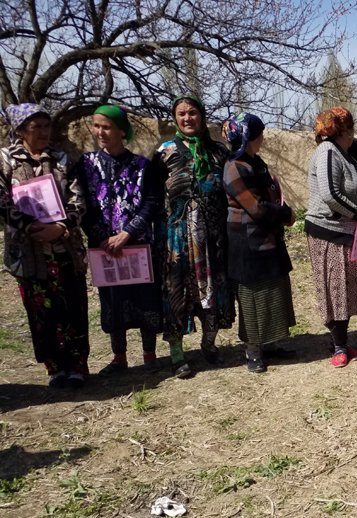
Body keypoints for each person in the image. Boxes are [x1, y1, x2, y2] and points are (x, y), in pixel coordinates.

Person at [1, 104, 89, 388]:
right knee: (41, 310)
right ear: (20, 130)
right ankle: (54, 367)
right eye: (35, 126)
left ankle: (76, 365)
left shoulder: (64, 159)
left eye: (46, 126)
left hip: (63, 246)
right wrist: (30, 226)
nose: (42, 132)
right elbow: (1, 202)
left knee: (72, 305)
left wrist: (61, 227)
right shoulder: (4, 161)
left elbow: (78, 199)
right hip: (28, 250)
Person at [154, 95, 234, 379]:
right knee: (177, 294)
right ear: (175, 118)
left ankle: (208, 344)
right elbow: (152, 196)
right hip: (177, 238)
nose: (187, 119)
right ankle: (177, 355)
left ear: (202, 115)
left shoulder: (219, 153)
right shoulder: (164, 152)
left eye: (193, 113)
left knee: (215, 292)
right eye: (181, 114)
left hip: (213, 237)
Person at [80, 104, 163, 375]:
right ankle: (119, 357)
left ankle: (149, 354)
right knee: (113, 299)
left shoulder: (142, 166)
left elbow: (151, 202)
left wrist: (127, 233)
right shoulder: (85, 165)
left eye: (107, 127)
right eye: (97, 126)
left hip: (137, 244)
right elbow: (81, 205)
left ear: (121, 130)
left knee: (144, 298)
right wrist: (102, 237)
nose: (100, 132)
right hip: (105, 247)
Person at [221, 112, 296, 374]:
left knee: (273, 292)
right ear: (249, 137)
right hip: (247, 243)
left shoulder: (256, 162)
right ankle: (253, 350)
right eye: (259, 134)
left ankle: (272, 343)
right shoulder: (234, 167)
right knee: (252, 298)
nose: (262, 138)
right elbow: (257, 208)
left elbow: (271, 195)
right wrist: (287, 215)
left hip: (268, 238)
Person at [305, 106, 357, 368]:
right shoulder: (327, 152)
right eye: (351, 129)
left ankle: (343, 341)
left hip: (349, 230)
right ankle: (337, 345)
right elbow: (330, 195)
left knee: (347, 288)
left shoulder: (350, 152)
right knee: (334, 288)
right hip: (328, 231)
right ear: (345, 129)